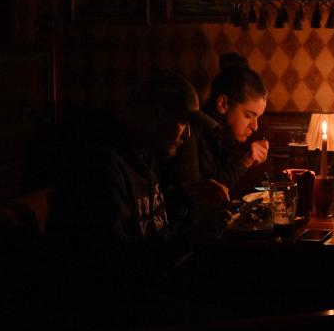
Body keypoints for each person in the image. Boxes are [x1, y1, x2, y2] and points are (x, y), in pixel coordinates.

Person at [47, 69, 230, 290]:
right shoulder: (101, 165)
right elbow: (114, 254)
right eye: (182, 122)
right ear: (157, 114)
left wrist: (185, 194)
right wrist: (190, 238)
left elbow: (141, 215)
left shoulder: (144, 155)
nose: (188, 134)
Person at [162, 53, 268, 211]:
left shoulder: (226, 137)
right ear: (223, 104)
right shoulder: (189, 134)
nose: (255, 126)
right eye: (248, 116)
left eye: (258, 117)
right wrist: (245, 162)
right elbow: (202, 198)